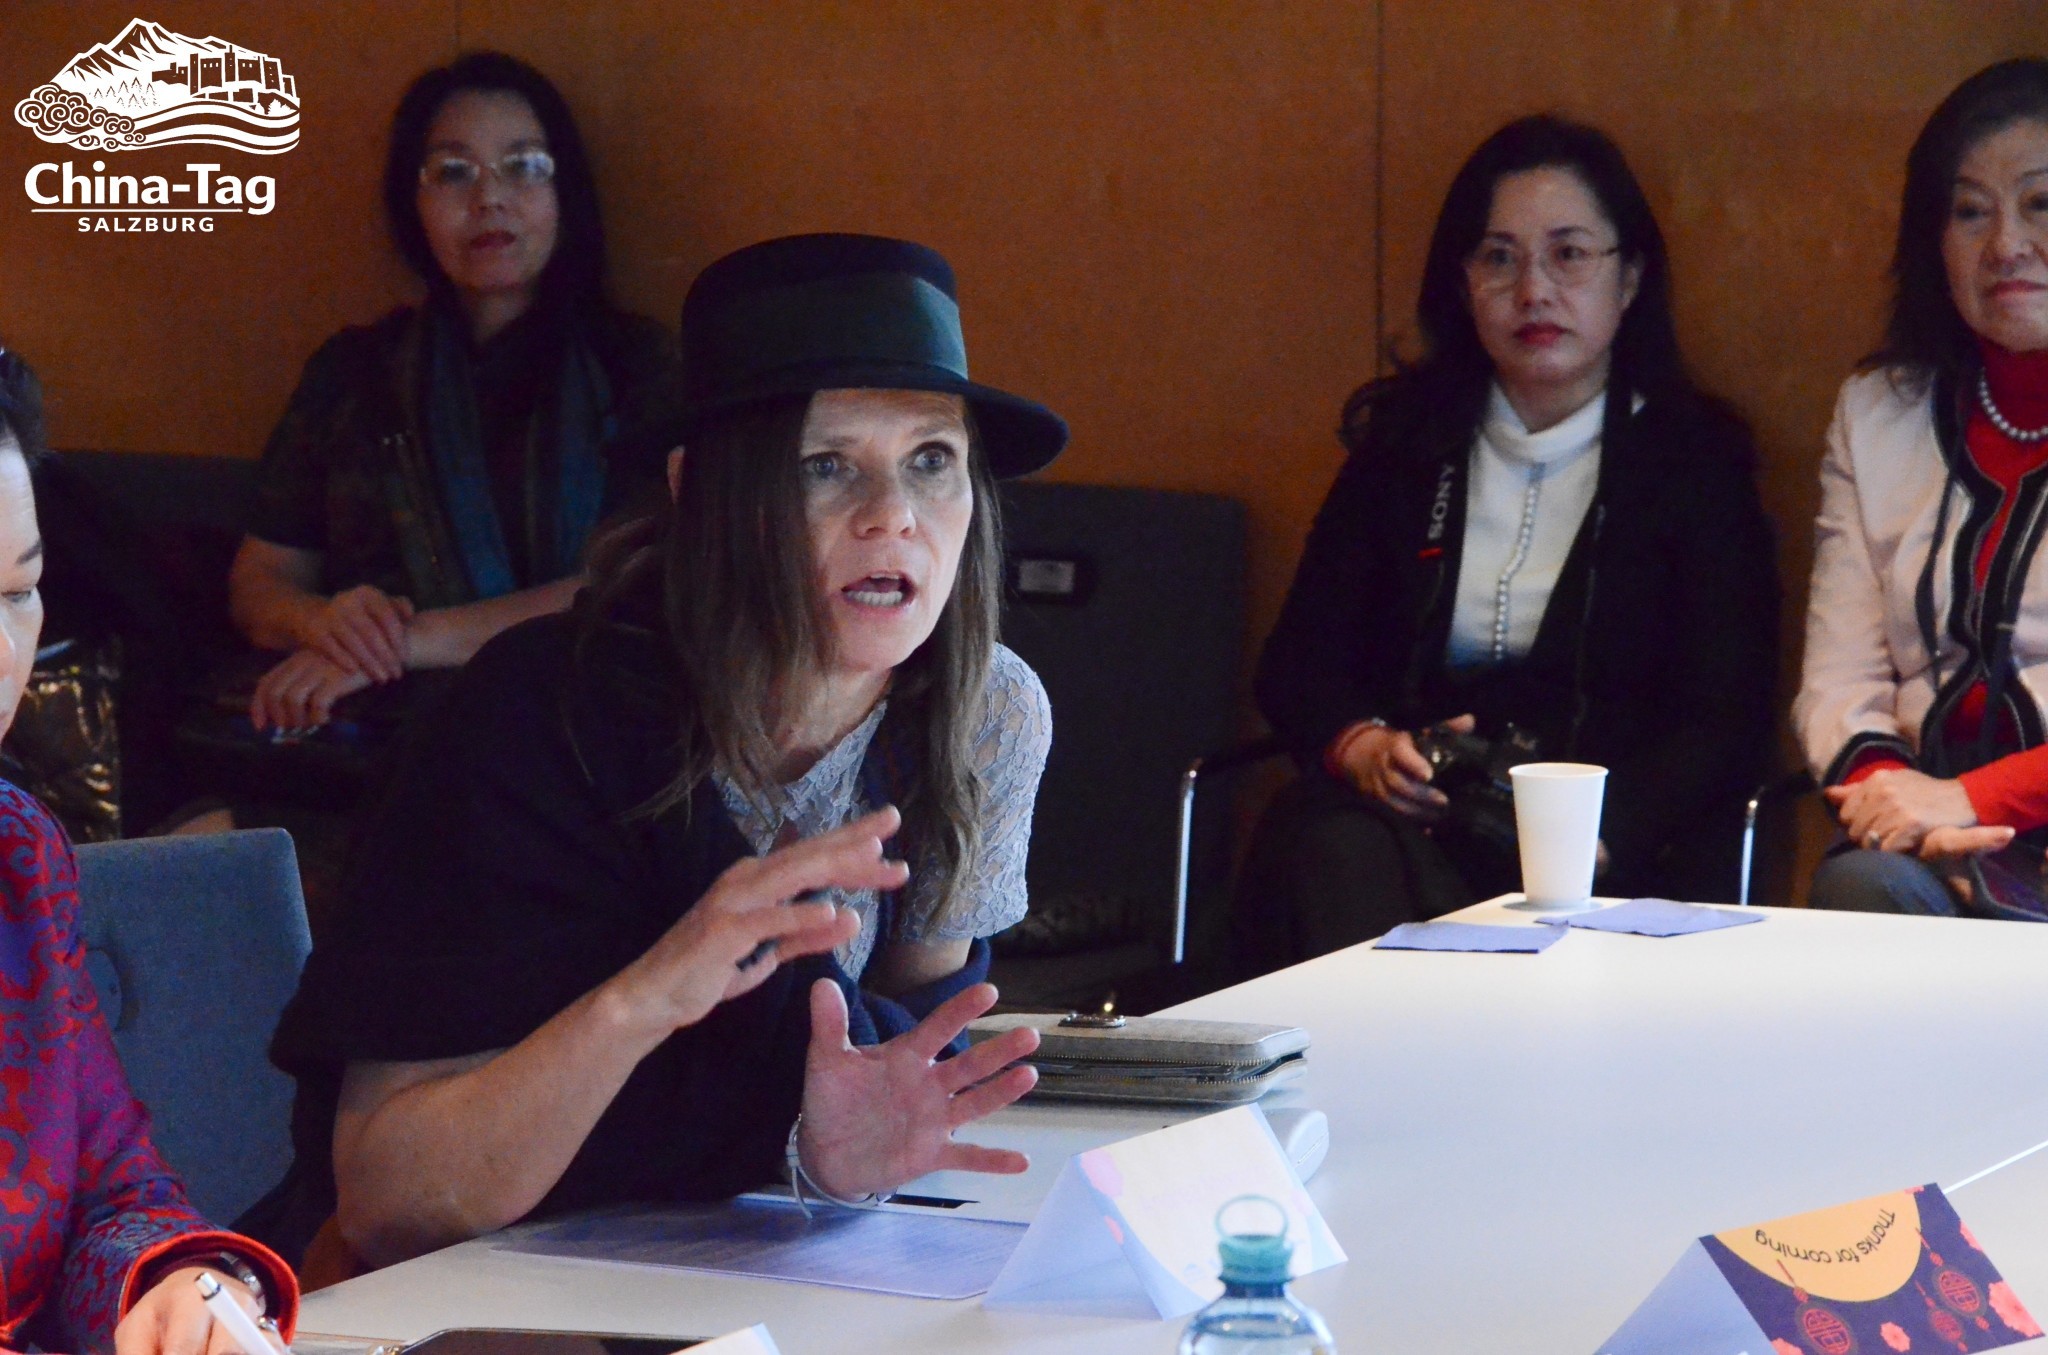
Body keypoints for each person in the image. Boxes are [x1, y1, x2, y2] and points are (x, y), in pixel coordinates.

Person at [244, 234, 1065, 1277]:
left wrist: (840, 1141)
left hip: (755, 1258)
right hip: (482, 1285)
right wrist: (652, 993)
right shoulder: (534, 713)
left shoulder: (987, 709)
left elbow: (898, 1046)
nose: (893, 516)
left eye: (931, 460)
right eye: (825, 466)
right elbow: (385, 1201)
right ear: (700, 486)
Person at [1234, 115, 1779, 973]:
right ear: (1462, 282)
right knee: (1327, 838)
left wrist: (1599, 832)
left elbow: (1725, 716)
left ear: (1630, 278)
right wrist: (1364, 747)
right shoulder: (1406, 446)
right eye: (1499, 257)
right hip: (1412, 835)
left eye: (1569, 255)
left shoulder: (1693, 463)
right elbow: (1299, 664)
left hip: (1610, 854)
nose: (1534, 290)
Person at [228, 51, 671, 738]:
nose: (489, 197)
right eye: (453, 172)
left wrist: (408, 643)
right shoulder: (354, 372)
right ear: (413, 204)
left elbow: (640, 580)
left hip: (584, 731)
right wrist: (326, 624)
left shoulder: (636, 367)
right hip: (373, 733)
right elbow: (261, 578)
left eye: (525, 166)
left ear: (567, 193)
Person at [0, 347, 300, 1354]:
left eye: (18, 591)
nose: (3, 654)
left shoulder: (17, 853)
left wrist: (175, 1284)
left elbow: (108, 1184)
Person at [1797, 58, 2048, 917]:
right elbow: (1839, 682)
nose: (2005, 244)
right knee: (1865, 886)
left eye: (2040, 204)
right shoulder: (1878, 414)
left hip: (2000, 811)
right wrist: (1898, 806)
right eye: (1971, 210)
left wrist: (1975, 800)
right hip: (1916, 850)